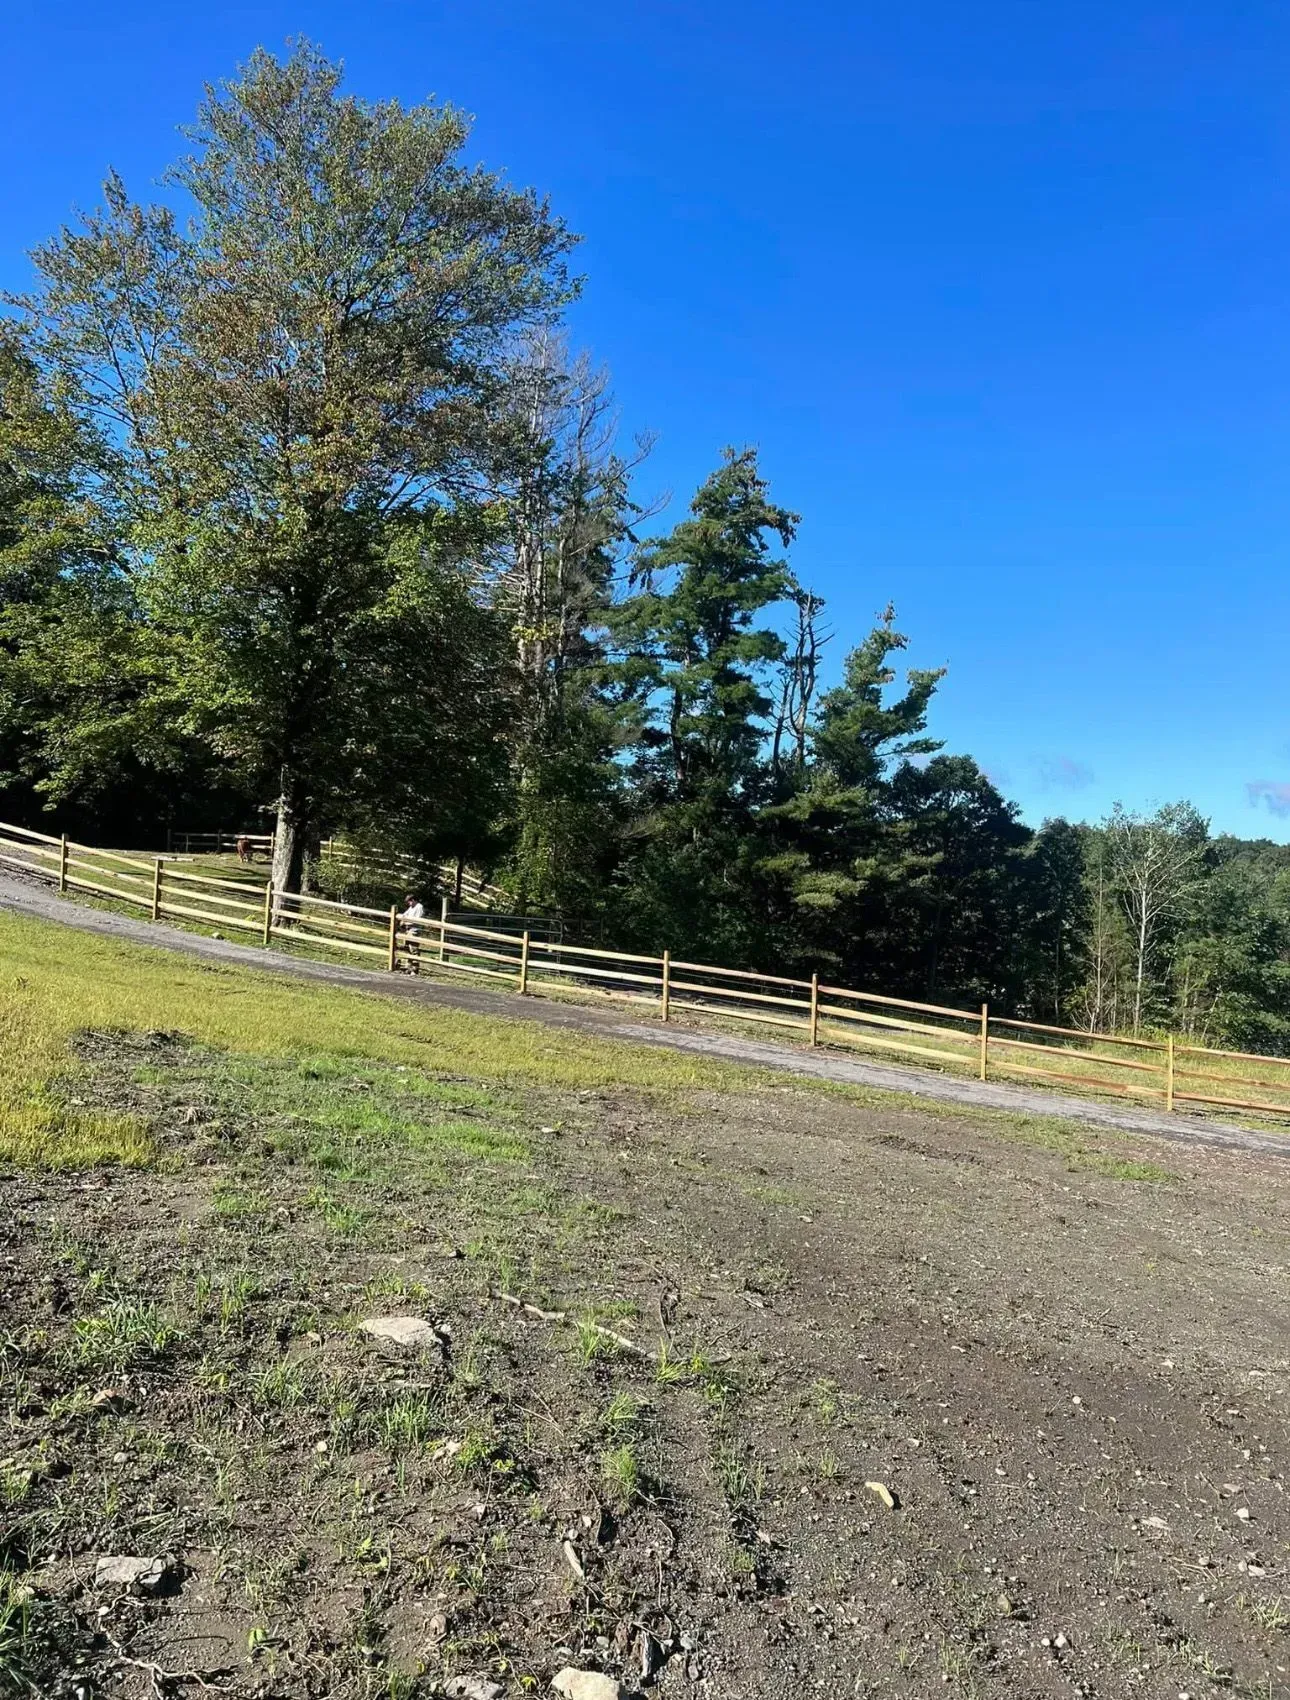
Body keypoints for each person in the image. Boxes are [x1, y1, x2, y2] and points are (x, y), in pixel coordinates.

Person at [400, 893, 425, 974]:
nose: (408, 904)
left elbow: (417, 920)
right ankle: (408, 967)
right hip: (408, 930)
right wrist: (402, 920)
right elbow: (404, 915)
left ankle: (415, 969)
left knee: (414, 949)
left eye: (409, 902)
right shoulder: (411, 907)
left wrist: (407, 923)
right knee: (407, 948)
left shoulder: (419, 907)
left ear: (413, 900)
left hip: (414, 930)